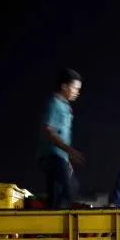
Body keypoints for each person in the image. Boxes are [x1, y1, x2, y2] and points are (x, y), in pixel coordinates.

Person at [38, 69, 85, 208]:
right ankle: (54, 219)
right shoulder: (54, 103)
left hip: (60, 157)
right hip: (51, 156)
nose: (77, 92)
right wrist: (69, 150)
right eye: (75, 88)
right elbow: (48, 130)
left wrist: (67, 159)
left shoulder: (65, 106)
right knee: (70, 189)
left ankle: (53, 220)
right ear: (64, 86)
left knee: (61, 193)